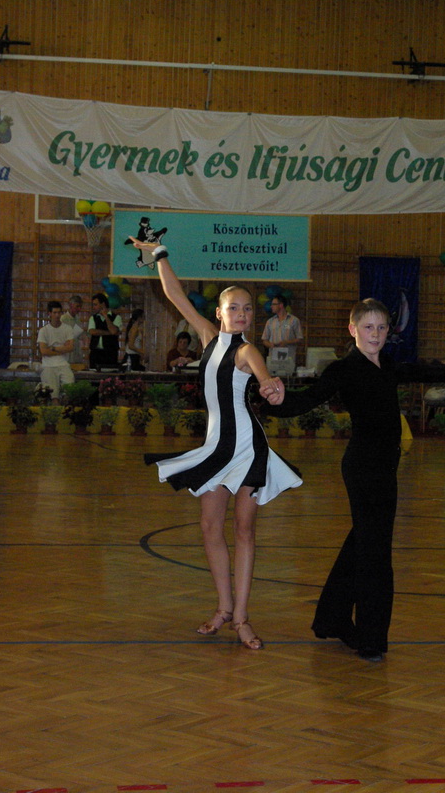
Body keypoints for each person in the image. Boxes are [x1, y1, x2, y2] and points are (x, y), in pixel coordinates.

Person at [263, 298, 445, 662]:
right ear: (353, 329)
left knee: (362, 543)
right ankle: (371, 637)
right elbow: (306, 400)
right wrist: (274, 400)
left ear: (388, 331)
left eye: (381, 327)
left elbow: (415, 370)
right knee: (375, 553)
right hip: (362, 468)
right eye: (368, 327)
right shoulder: (343, 369)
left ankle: (332, 618)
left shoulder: (387, 364)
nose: (375, 334)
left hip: (386, 466)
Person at [128, 236, 301, 651]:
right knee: (209, 527)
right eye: (234, 308)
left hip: (247, 449)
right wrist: (159, 254)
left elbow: (262, 375)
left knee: (243, 530)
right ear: (220, 313)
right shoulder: (207, 336)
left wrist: (271, 387)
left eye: (248, 309)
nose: (242, 314)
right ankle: (223, 608)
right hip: (215, 448)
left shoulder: (248, 351)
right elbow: (175, 294)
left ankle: (241, 618)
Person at [37, 301, 76, 400]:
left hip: (64, 364)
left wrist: (53, 348)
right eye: (54, 313)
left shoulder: (67, 329)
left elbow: (70, 347)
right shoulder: (43, 331)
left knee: (70, 392)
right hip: (48, 366)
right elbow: (44, 351)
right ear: (49, 313)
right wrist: (63, 348)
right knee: (53, 396)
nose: (57, 315)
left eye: (59, 312)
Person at [261, 294, 303, 375]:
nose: (271, 306)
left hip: (288, 357)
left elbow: (300, 339)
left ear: (281, 305)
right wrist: (270, 345)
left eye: (274, 304)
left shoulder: (294, 320)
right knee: (273, 379)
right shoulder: (270, 321)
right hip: (273, 358)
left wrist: (286, 342)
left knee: (288, 378)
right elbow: (264, 340)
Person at [88, 292, 122, 370]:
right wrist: (109, 333)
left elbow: (113, 330)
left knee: (110, 374)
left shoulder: (117, 317)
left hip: (110, 353)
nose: (93, 307)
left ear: (103, 304)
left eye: (95, 304)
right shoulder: (93, 318)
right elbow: (93, 332)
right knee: (94, 374)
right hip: (95, 353)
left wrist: (106, 317)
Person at [60, 294, 85, 366]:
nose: (79, 309)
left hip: (76, 349)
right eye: (77, 306)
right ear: (71, 305)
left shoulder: (78, 319)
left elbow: (79, 335)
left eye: (80, 307)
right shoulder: (63, 319)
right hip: (66, 351)